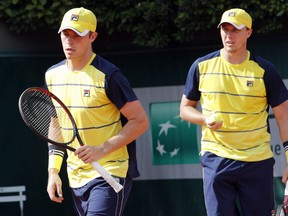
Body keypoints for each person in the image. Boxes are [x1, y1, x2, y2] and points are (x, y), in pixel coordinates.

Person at [180, 8, 288, 216]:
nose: (229, 36)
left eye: (235, 30)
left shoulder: (265, 71)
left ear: (248, 32)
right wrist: (205, 118)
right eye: (225, 29)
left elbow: (284, 118)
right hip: (216, 159)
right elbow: (185, 109)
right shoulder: (201, 66)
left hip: (257, 162)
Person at [45, 7, 149, 216]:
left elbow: (140, 121)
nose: (69, 41)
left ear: (93, 36)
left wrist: (101, 149)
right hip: (75, 176)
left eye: (77, 35)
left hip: (110, 172)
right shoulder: (52, 75)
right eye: (66, 34)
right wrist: (53, 171)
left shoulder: (109, 76)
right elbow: (56, 122)